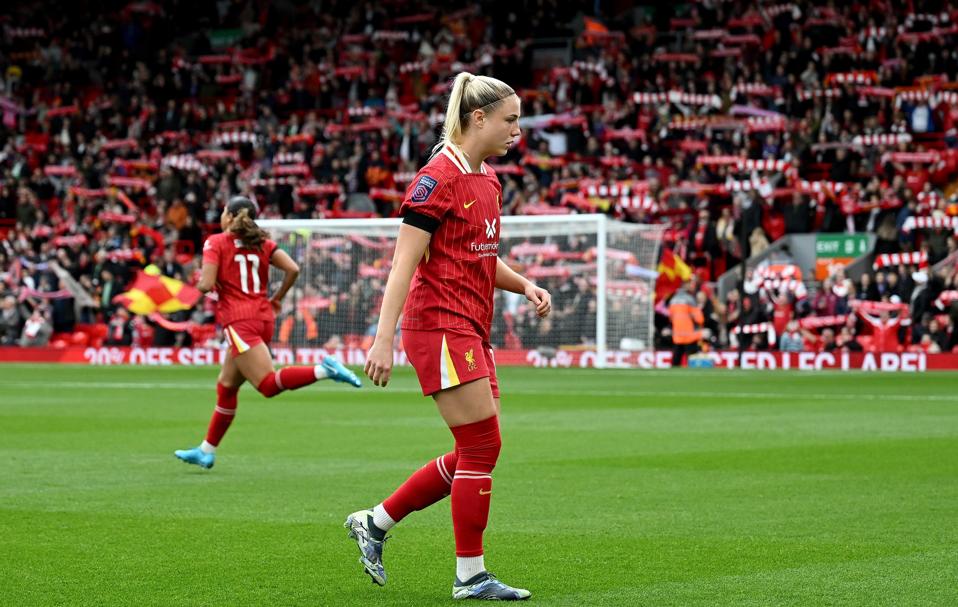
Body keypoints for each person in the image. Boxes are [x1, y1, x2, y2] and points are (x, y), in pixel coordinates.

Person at [344, 72, 550, 601]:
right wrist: (382, 339)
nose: (517, 132)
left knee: (471, 453)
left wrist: (523, 283)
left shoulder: (488, 179)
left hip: (470, 327)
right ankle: (470, 575)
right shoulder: (437, 178)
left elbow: (480, 254)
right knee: (484, 445)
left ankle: (375, 522)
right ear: (477, 118)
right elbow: (402, 264)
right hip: (438, 326)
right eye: (510, 121)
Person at [173, 196, 361, 470]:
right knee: (227, 385)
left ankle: (324, 370)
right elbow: (293, 269)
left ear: (229, 215)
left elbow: (206, 284)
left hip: (239, 321)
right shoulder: (261, 242)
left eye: (224, 212)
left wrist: (198, 282)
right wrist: (277, 298)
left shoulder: (216, 242)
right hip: (262, 316)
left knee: (267, 385)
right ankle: (206, 450)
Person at [668, 281, 704, 366]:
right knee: (692, 362)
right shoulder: (690, 299)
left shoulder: (673, 300)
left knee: (675, 363)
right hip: (690, 336)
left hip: (677, 336)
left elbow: (671, 318)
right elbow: (699, 319)